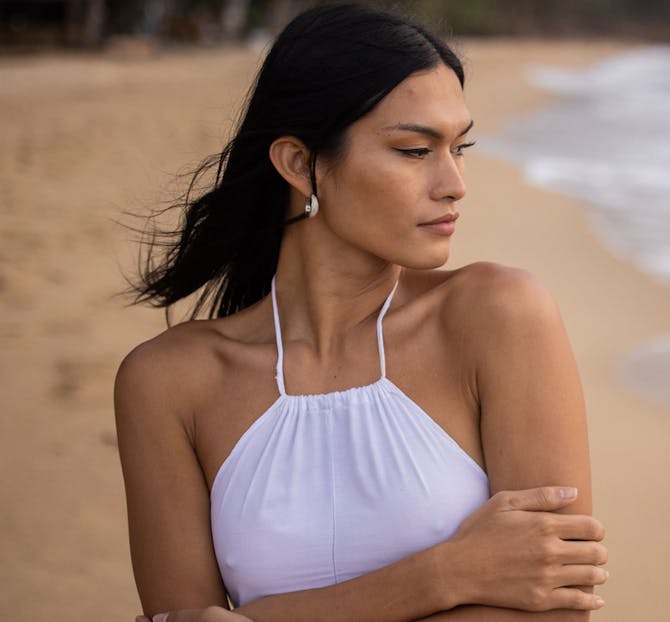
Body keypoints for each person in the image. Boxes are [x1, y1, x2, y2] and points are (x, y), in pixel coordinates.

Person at [116, 4, 608, 622]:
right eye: (413, 150)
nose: (455, 183)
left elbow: (556, 610)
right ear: (299, 163)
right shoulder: (168, 382)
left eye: (460, 147)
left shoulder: (496, 317)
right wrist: (445, 574)